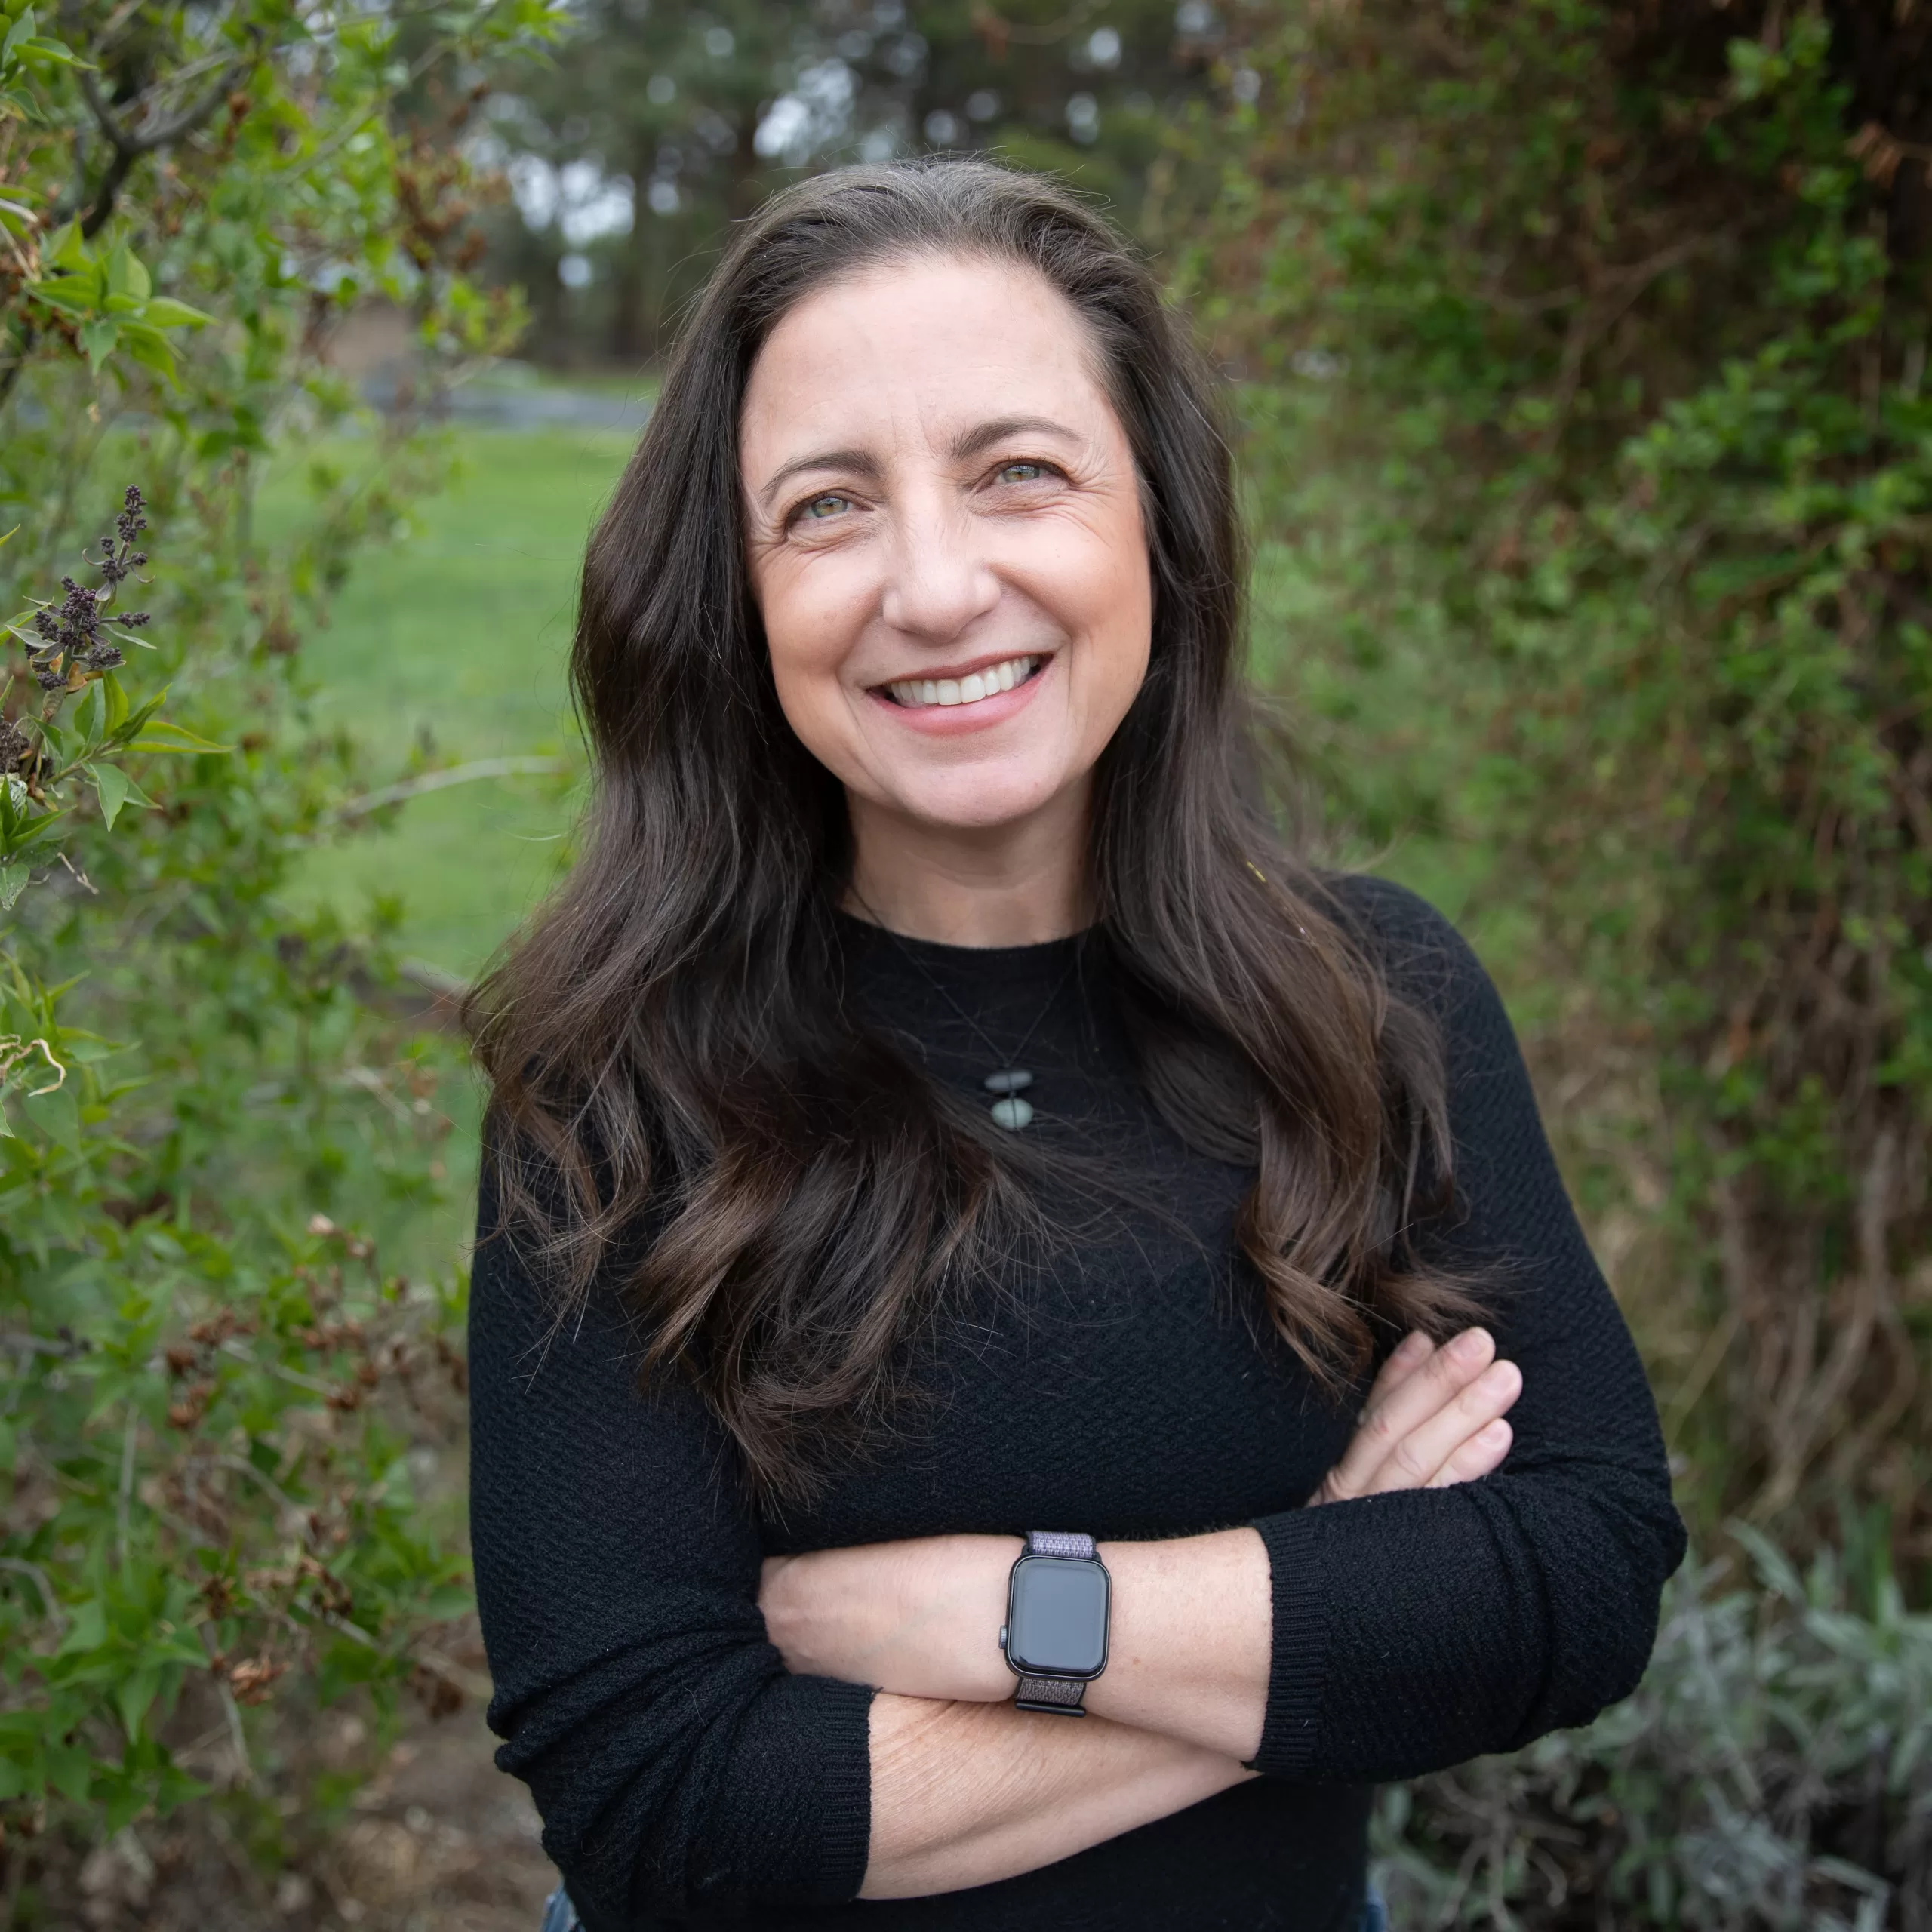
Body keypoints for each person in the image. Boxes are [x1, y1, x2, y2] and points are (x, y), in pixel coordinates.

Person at [464, 158, 1684, 1932]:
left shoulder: (1369, 1000)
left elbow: (1580, 1572)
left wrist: (1016, 1614)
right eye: (827, 507)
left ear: (1156, 531)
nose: (938, 586)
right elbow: (663, 1808)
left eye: (1017, 473)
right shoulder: (615, 1085)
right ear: (732, 593)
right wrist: (1334, 1585)